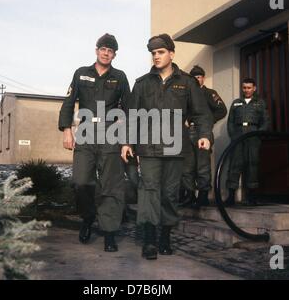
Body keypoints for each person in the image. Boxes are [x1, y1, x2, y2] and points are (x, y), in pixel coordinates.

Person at [121, 34, 212, 260]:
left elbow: (201, 112)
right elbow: (132, 115)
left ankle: (165, 237)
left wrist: (204, 134)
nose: (156, 56)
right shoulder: (142, 83)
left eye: (160, 52)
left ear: (171, 54)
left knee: (170, 194)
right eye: (153, 53)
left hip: (175, 147)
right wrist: (127, 142)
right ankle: (150, 240)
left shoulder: (187, 83)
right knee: (149, 191)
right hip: (149, 147)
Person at [58, 33, 130, 252]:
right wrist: (66, 131)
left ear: (114, 54)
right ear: (97, 50)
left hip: (110, 134)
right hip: (87, 132)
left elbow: (128, 110)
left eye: (110, 51)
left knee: (111, 185)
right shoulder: (81, 74)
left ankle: (109, 233)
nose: (106, 53)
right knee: (81, 182)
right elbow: (69, 102)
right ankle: (88, 217)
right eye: (103, 49)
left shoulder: (120, 77)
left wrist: (126, 142)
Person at [181, 65, 227, 208]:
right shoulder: (186, 94)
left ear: (203, 78)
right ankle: (189, 195)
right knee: (187, 167)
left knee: (203, 166)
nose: (197, 79)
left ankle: (203, 196)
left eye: (199, 77)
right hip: (188, 133)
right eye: (194, 77)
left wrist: (209, 120)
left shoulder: (209, 93)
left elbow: (222, 110)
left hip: (203, 132)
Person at [225, 78, 269, 206]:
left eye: (249, 88)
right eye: (244, 87)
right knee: (235, 164)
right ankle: (231, 196)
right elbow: (230, 122)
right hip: (238, 135)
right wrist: (233, 136)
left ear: (254, 88)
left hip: (252, 135)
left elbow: (265, 121)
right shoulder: (236, 103)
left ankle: (252, 197)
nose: (246, 90)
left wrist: (258, 134)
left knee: (252, 164)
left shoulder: (259, 103)